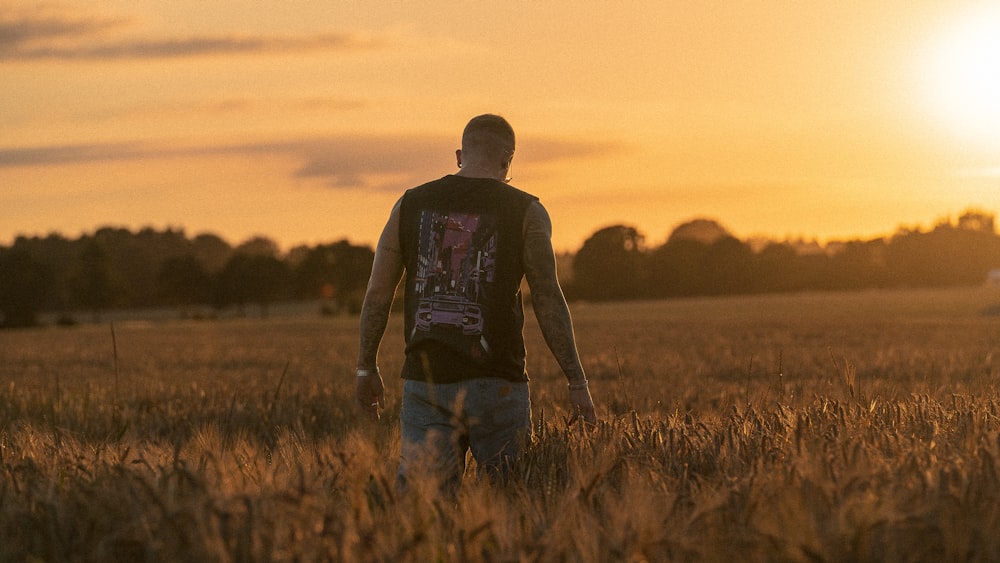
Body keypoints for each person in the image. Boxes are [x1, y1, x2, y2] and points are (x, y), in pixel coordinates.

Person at [355, 114, 596, 492]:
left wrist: (365, 368)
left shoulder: (409, 204)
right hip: (498, 383)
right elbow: (548, 298)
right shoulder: (527, 210)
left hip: (426, 380)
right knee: (509, 504)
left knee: (422, 513)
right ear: (508, 161)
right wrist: (576, 380)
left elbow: (377, 294)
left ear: (459, 155)